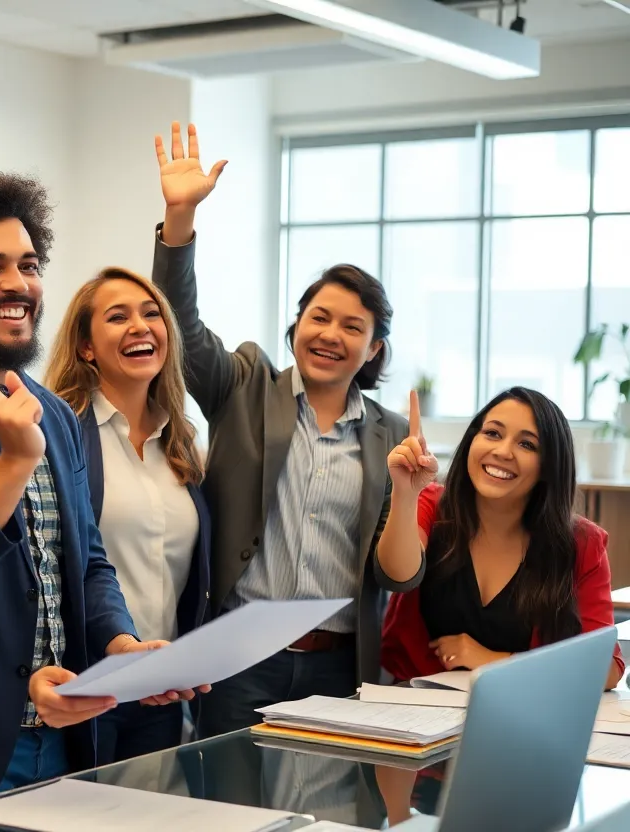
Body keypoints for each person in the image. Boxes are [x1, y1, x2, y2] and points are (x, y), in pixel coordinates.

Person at [0, 163, 204, 812]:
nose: (18, 285)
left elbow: (85, 560)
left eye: (28, 265)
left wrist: (120, 643)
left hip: (64, 737)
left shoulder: (54, 413)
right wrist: (12, 461)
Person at [149, 122, 419, 737]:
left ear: (374, 349)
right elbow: (181, 325)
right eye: (319, 317)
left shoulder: (392, 436)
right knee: (230, 816)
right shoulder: (243, 386)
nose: (331, 334)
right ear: (295, 325)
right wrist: (179, 220)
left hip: (342, 668)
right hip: (240, 661)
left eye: (353, 327)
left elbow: (399, 573)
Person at [377, 387, 625, 824]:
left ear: (549, 466)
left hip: (521, 748)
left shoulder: (580, 544)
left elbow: (604, 669)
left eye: (527, 444)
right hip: (413, 745)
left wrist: (492, 661)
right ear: (472, 440)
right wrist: (404, 493)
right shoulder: (433, 506)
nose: (503, 451)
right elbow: (397, 573)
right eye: (492, 433)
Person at [44, 267, 212, 762]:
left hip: (164, 690)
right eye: (118, 317)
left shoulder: (181, 442)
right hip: (89, 685)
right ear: (86, 347)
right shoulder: (63, 435)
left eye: (151, 314)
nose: (140, 326)